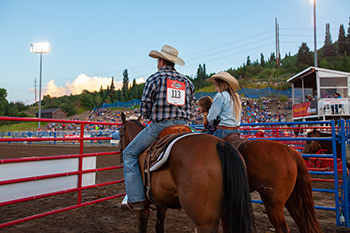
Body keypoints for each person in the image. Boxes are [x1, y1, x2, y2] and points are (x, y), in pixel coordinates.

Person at [122, 45, 196, 210]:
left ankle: (136, 199)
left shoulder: (154, 78)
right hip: (184, 127)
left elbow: (145, 106)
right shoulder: (187, 82)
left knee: (129, 154)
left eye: (157, 60)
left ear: (162, 61)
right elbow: (192, 106)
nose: (157, 63)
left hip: (161, 126)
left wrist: (147, 116)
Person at [203, 71, 242, 139]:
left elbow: (211, 117)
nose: (214, 84)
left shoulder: (220, 96)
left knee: (201, 141)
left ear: (221, 83)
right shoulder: (236, 97)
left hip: (222, 131)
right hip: (236, 131)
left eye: (216, 82)